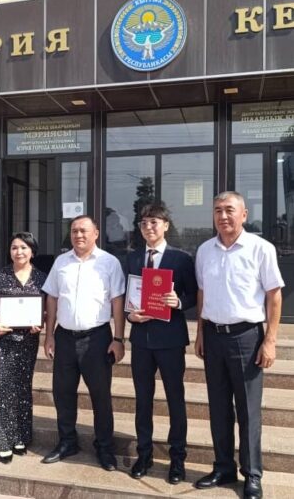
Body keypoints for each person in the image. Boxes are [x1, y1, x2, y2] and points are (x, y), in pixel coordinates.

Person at [195, 191, 284, 499]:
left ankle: (252, 474)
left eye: (229, 210)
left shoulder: (261, 248)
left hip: (247, 337)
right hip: (214, 337)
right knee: (218, 407)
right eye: (217, 210)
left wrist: (270, 340)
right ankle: (223, 467)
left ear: (244, 214)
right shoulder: (205, 250)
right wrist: (200, 333)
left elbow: (274, 296)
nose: (223, 216)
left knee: (248, 411)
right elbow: (202, 293)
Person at [41, 215, 125, 471]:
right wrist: (49, 334)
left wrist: (118, 339)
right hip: (65, 337)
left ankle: (105, 447)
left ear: (95, 234)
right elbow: (52, 298)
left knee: (100, 396)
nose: (78, 235)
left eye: (83, 231)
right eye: (74, 231)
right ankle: (67, 442)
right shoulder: (61, 262)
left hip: (97, 338)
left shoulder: (109, 263)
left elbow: (118, 301)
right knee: (63, 393)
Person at [125, 203, 197, 483]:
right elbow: (127, 297)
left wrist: (178, 302)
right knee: (142, 400)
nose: (148, 227)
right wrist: (130, 316)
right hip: (141, 340)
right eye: (143, 223)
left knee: (175, 399)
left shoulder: (182, 258)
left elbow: (194, 295)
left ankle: (177, 458)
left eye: (154, 222)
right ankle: (144, 455)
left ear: (166, 225)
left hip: (170, 340)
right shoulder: (132, 258)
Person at [0, 232, 46, 463]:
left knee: (22, 387)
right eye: (14, 248)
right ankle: (1, 440)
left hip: (28, 341)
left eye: (23, 247)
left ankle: (20, 435)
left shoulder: (41, 278)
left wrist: (40, 323)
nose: (19, 252)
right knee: (1, 387)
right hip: (2, 340)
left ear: (32, 252)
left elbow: (47, 311)